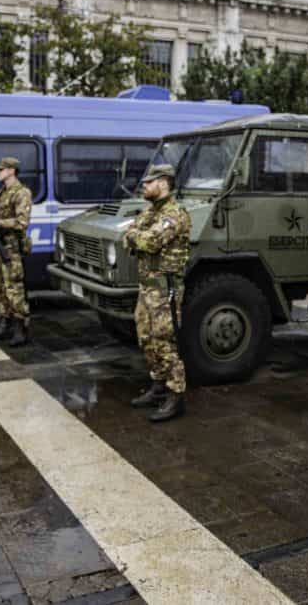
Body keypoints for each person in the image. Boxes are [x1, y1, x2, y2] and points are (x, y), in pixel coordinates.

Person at [124, 164, 191, 422]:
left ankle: (176, 395)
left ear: (163, 183)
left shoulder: (175, 214)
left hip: (165, 289)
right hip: (146, 287)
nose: (144, 187)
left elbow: (150, 242)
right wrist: (135, 235)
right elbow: (128, 237)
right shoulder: (150, 212)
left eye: (148, 183)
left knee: (164, 340)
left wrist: (134, 235)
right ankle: (159, 385)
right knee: (145, 337)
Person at [0, 157, 33, 347]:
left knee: (14, 288)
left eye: (1, 169)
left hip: (11, 248)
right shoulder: (1, 193)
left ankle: (21, 329)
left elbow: (22, 222)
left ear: (12, 171)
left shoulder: (21, 193)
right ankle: (4, 323)